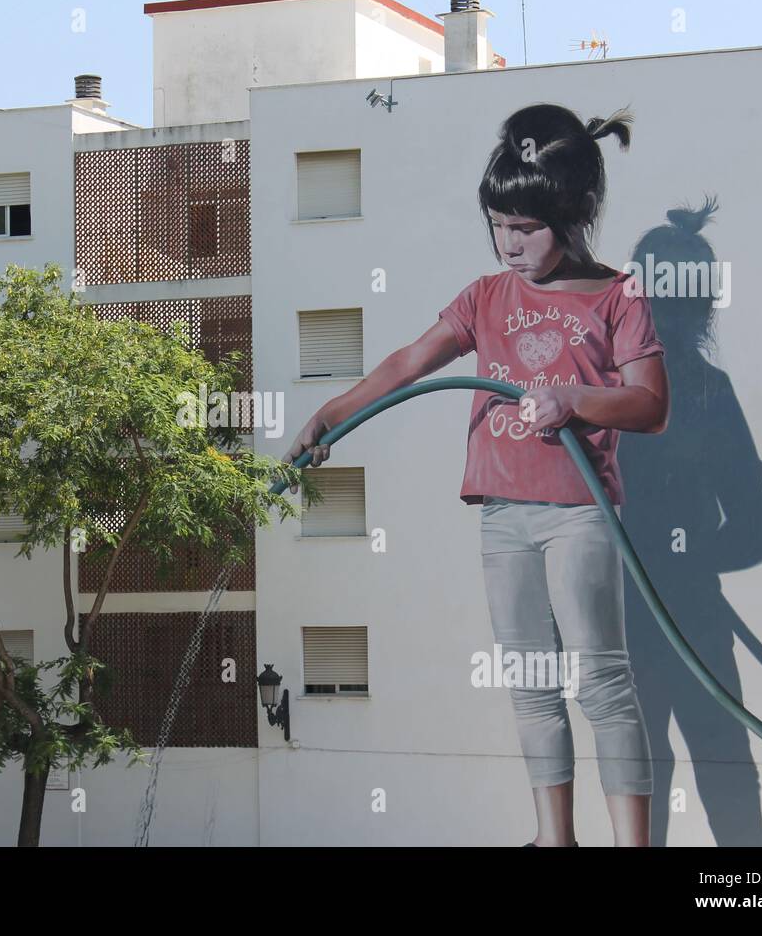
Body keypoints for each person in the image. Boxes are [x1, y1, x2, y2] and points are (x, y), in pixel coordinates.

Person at [285, 103, 669, 847]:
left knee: (602, 684)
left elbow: (650, 406)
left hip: (578, 515)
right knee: (530, 684)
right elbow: (407, 364)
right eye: (498, 225)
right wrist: (332, 414)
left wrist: (573, 399)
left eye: (525, 228)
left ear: (573, 214)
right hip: (503, 514)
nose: (508, 243)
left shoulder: (618, 297)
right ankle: (554, 838)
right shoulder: (486, 297)